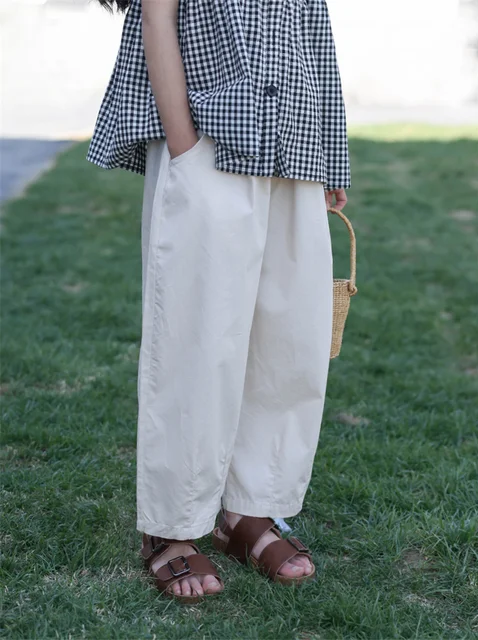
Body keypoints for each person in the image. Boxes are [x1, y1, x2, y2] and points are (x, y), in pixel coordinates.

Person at [87, 0, 351, 604]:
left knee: (288, 339)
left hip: (294, 142)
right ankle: (172, 526)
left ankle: (248, 510)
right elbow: (157, 14)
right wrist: (183, 144)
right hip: (206, 137)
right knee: (198, 337)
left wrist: (329, 153)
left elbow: (313, 26)